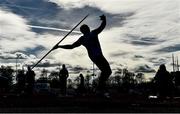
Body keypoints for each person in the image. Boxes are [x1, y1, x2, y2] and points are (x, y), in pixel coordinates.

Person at [53, 15, 112, 94]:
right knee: (107, 71)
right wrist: (104, 20)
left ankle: (100, 87)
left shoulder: (85, 37)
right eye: (87, 27)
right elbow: (102, 26)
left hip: (95, 56)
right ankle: (100, 88)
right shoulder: (89, 35)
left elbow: (71, 46)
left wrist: (59, 46)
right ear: (85, 30)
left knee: (106, 71)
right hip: (97, 56)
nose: (88, 28)